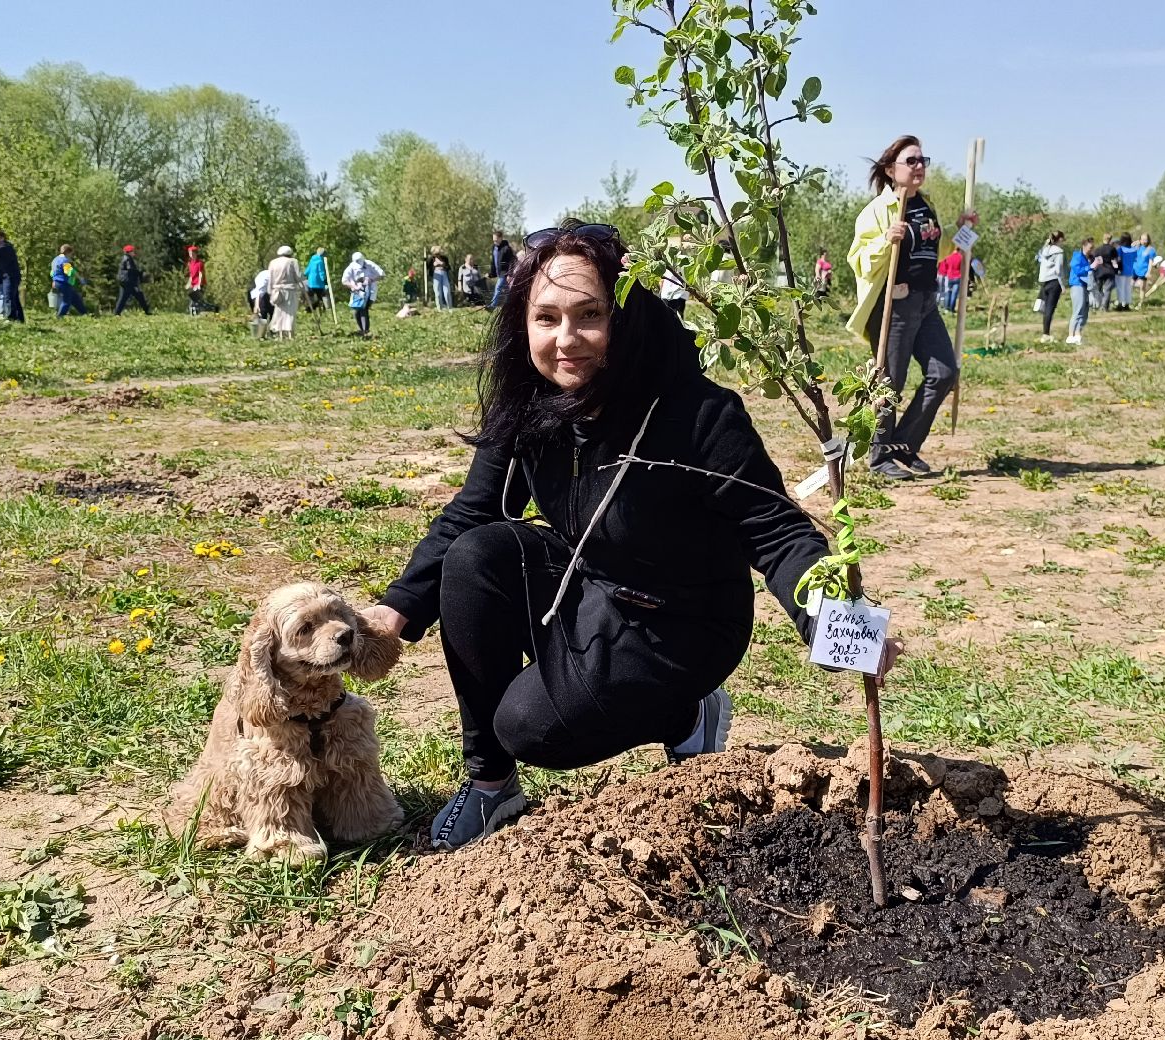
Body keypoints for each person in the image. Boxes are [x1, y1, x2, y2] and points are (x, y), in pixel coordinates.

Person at [358, 221, 901, 851]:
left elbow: (775, 530)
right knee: (475, 557)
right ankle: (491, 785)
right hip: (587, 584)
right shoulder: (531, 404)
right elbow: (472, 511)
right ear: (522, 322)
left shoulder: (695, 414)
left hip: (684, 622)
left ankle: (686, 710)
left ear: (625, 314)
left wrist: (842, 625)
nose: (567, 340)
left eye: (590, 315)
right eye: (546, 318)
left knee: (530, 727)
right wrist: (395, 610)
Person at [846, 134, 965, 481]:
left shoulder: (925, 207)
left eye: (922, 161)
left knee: (944, 372)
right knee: (889, 383)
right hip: (891, 306)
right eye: (911, 161)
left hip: (927, 302)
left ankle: (905, 444)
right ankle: (878, 453)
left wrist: (961, 234)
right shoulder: (878, 211)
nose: (919, 167)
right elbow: (860, 262)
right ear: (890, 169)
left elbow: (933, 255)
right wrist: (886, 241)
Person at [0, 230, 24, 323]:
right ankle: (20, 319)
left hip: (11, 276)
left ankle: (11, 318)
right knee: (14, 298)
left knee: (8, 297)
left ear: (2, 238)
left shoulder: (6, 248)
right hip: (3, 277)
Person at [265, 245, 303, 339]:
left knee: (279, 312)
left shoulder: (273, 262)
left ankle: (280, 334)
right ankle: (290, 334)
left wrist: (270, 291)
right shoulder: (293, 261)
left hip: (277, 291)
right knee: (290, 312)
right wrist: (302, 286)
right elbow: (298, 276)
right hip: (290, 290)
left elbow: (270, 278)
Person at [1036, 230, 1065, 342]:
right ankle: (1046, 334)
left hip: (1044, 281)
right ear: (1060, 239)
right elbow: (1058, 270)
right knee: (1050, 309)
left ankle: (1045, 332)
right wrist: (1062, 285)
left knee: (1045, 309)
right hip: (1054, 281)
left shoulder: (1045, 249)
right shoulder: (1058, 252)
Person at [1066, 238, 1095, 345]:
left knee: (1084, 311)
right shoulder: (1077, 256)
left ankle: (1078, 334)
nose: (1091, 250)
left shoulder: (1089, 258)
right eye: (1090, 248)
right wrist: (1090, 267)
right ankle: (1070, 335)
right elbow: (1077, 270)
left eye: (1093, 248)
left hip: (1085, 286)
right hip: (1077, 285)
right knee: (1077, 310)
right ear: (1084, 246)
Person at [51, 244, 88, 317]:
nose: (71, 255)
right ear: (68, 252)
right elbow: (69, 272)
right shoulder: (64, 260)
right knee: (66, 301)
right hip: (64, 283)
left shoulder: (55, 259)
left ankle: (85, 313)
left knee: (75, 298)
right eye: (71, 253)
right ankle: (60, 316)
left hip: (57, 282)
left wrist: (54, 280)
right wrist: (80, 278)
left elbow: (52, 272)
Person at [114, 245, 152, 315]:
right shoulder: (128, 259)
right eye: (133, 251)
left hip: (124, 281)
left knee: (126, 297)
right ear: (129, 252)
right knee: (136, 296)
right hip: (128, 282)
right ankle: (147, 311)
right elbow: (131, 270)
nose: (134, 252)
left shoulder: (125, 258)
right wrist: (140, 274)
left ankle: (117, 313)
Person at [487, 229, 515, 309]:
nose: (494, 242)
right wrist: (492, 273)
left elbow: (512, 261)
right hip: (499, 272)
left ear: (501, 238)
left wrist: (510, 273)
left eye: (496, 240)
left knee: (498, 287)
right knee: (508, 290)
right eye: (493, 240)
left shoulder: (507, 248)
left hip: (505, 272)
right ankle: (511, 306)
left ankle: (493, 305)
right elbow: (493, 262)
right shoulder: (494, 248)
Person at [1091, 234, 1119, 311]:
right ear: (1110, 239)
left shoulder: (1098, 249)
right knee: (1107, 289)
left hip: (1099, 271)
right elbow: (1115, 261)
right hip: (1109, 271)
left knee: (1099, 289)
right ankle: (1104, 306)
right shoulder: (1112, 249)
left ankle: (1099, 304)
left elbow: (1094, 261)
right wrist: (1117, 270)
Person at [1131, 234, 1157, 306]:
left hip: (1144, 271)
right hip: (1135, 269)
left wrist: (1148, 272)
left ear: (1148, 240)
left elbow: (1151, 262)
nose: (1144, 241)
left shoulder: (1151, 250)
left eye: (1145, 239)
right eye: (1142, 239)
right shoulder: (1138, 247)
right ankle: (1128, 302)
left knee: (1142, 287)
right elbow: (1130, 247)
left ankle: (1141, 303)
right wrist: (1136, 242)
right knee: (1130, 285)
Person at [937, 247, 965, 312]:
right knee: (954, 294)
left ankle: (947, 308)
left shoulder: (948, 257)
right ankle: (952, 309)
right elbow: (962, 268)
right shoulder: (960, 257)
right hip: (958, 277)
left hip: (949, 276)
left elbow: (945, 266)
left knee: (948, 292)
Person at [305, 247, 331, 314]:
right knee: (321, 297)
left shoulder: (312, 260)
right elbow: (321, 272)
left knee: (312, 297)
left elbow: (308, 269)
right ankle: (317, 310)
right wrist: (325, 281)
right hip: (318, 283)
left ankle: (311, 309)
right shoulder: (320, 261)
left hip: (311, 282)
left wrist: (304, 275)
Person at [248, 265, 272, 338]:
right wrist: (256, 305)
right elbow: (259, 292)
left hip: (265, 295)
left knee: (270, 314)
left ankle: (267, 333)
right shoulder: (265, 276)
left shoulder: (269, 275)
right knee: (262, 314)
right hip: (258, 296)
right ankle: (260, 335)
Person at [348, 270, 373, 337]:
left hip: (363, 298)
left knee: (363, 312)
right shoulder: (351, 273)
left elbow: (368, 288)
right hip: (357, 299)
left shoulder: (365, 277)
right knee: (356, 313)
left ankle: (365, 330)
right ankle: (362, 329)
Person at [185, 246, 207, 314]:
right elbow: (192, 275)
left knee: (195, 300)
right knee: (193, 300)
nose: (190, 254)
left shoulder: (199, 263)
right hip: (193, 284)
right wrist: (188, 283)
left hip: (200, 284)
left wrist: (199, 284)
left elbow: (201, 274)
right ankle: (194, 313)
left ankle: (198, 313)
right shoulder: (190, 263)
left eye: (191, 253)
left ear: (195, 253)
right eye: (189, 253)